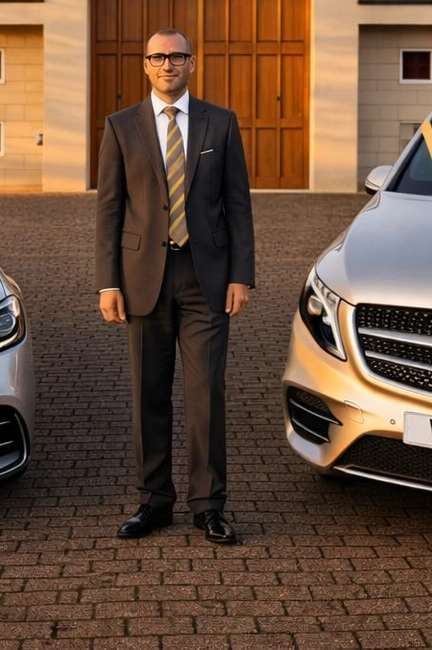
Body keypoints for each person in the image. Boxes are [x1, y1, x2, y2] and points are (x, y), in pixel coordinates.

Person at [95, 27, 254, 544]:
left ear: (192, 62)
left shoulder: (221, 123)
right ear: (145, 65)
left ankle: (209, 505)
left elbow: (238, 208)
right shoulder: (121, 127)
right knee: (148, 395)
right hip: (142, 280)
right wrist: (107, 283)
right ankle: (153, 502)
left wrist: (240, 275)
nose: (168, 64)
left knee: (206, 394)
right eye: (158, 57)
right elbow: (109, 211)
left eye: (177, 56)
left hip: (205, 280)